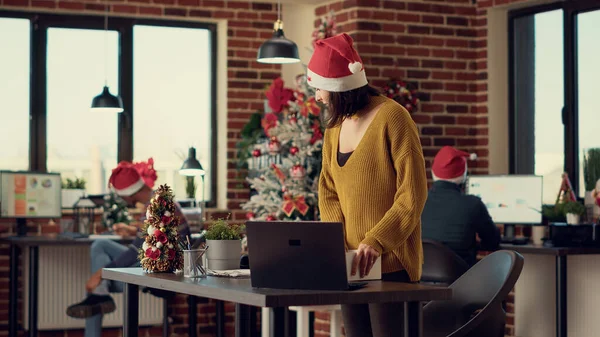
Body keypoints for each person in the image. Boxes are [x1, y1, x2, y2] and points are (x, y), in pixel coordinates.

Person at [309, 33, 428, 337]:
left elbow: (412, 195)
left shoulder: (394, 117)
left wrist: (376, 240)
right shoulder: (334, 128)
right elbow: (328, 190)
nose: (317, 97)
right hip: (351, 267)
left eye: (320, 88)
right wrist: (335, 241)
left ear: (339, 88)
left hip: (391, 264)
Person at [66, 160, 191, 337]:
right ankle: (100, 294)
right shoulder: (156, 200)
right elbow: (153, 236)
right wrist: (133, 230)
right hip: (155, 261)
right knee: (101, 244)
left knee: (100, 283)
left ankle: (99, 295)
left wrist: (100, 273)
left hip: (165, 270)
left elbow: (136, 251)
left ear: (128, 194)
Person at [421, 146, 501, 267]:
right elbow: (493, 242)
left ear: (433, 173)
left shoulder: (416, 202)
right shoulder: (473, 204)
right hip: (462, 281)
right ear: (464, 175)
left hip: (420, 281)